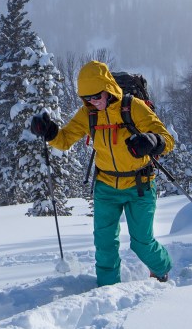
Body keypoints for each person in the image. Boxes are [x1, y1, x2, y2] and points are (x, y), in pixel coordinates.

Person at [31, 60, 174, 286]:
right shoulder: (88, 114)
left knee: (142, 242)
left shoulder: (133, 107)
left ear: (108, 88)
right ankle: (107, 289)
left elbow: (167, 139)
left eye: (96, 96)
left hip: (140, 185)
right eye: (86, 98)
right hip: (106, 187)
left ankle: (161, 268)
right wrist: (49, 133)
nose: (92, 102)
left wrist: (152, 141)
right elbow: (65, 140)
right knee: (105, 244)